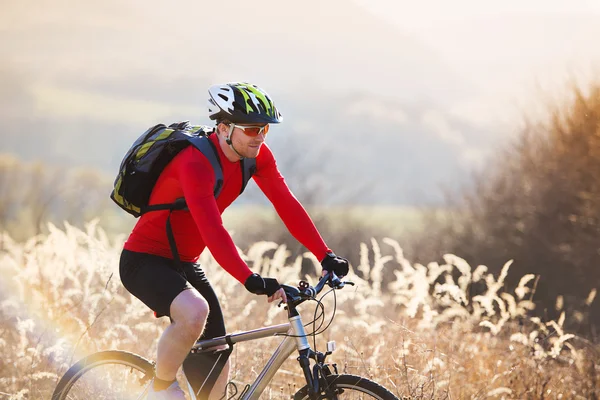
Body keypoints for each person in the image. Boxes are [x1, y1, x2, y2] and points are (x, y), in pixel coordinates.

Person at [118, 82, 350, 400]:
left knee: (215, 374)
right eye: (252, 129)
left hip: (186, 264)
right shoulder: (194, 162)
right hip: (144, 260)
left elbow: (287, 205)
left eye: (265, 129)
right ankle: (160, 389)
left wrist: (325, 255)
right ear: (224, 127)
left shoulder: (256, 157)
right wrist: (251, 279)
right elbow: (213, 229)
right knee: (195, 311)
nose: (260, 137)